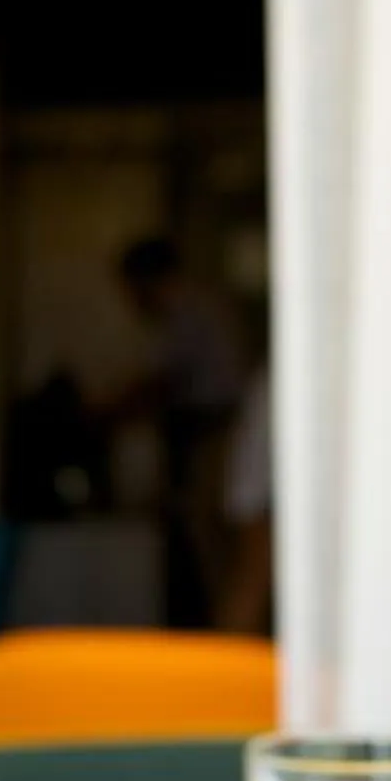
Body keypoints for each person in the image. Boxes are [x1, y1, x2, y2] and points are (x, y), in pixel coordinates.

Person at [112, 235, 248, 625]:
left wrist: (108, 411)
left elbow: (162, 380)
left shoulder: (187, 310)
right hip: (205, 433)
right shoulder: (192, 308)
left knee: (214, 546)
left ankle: (227, 639)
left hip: (215, 433)